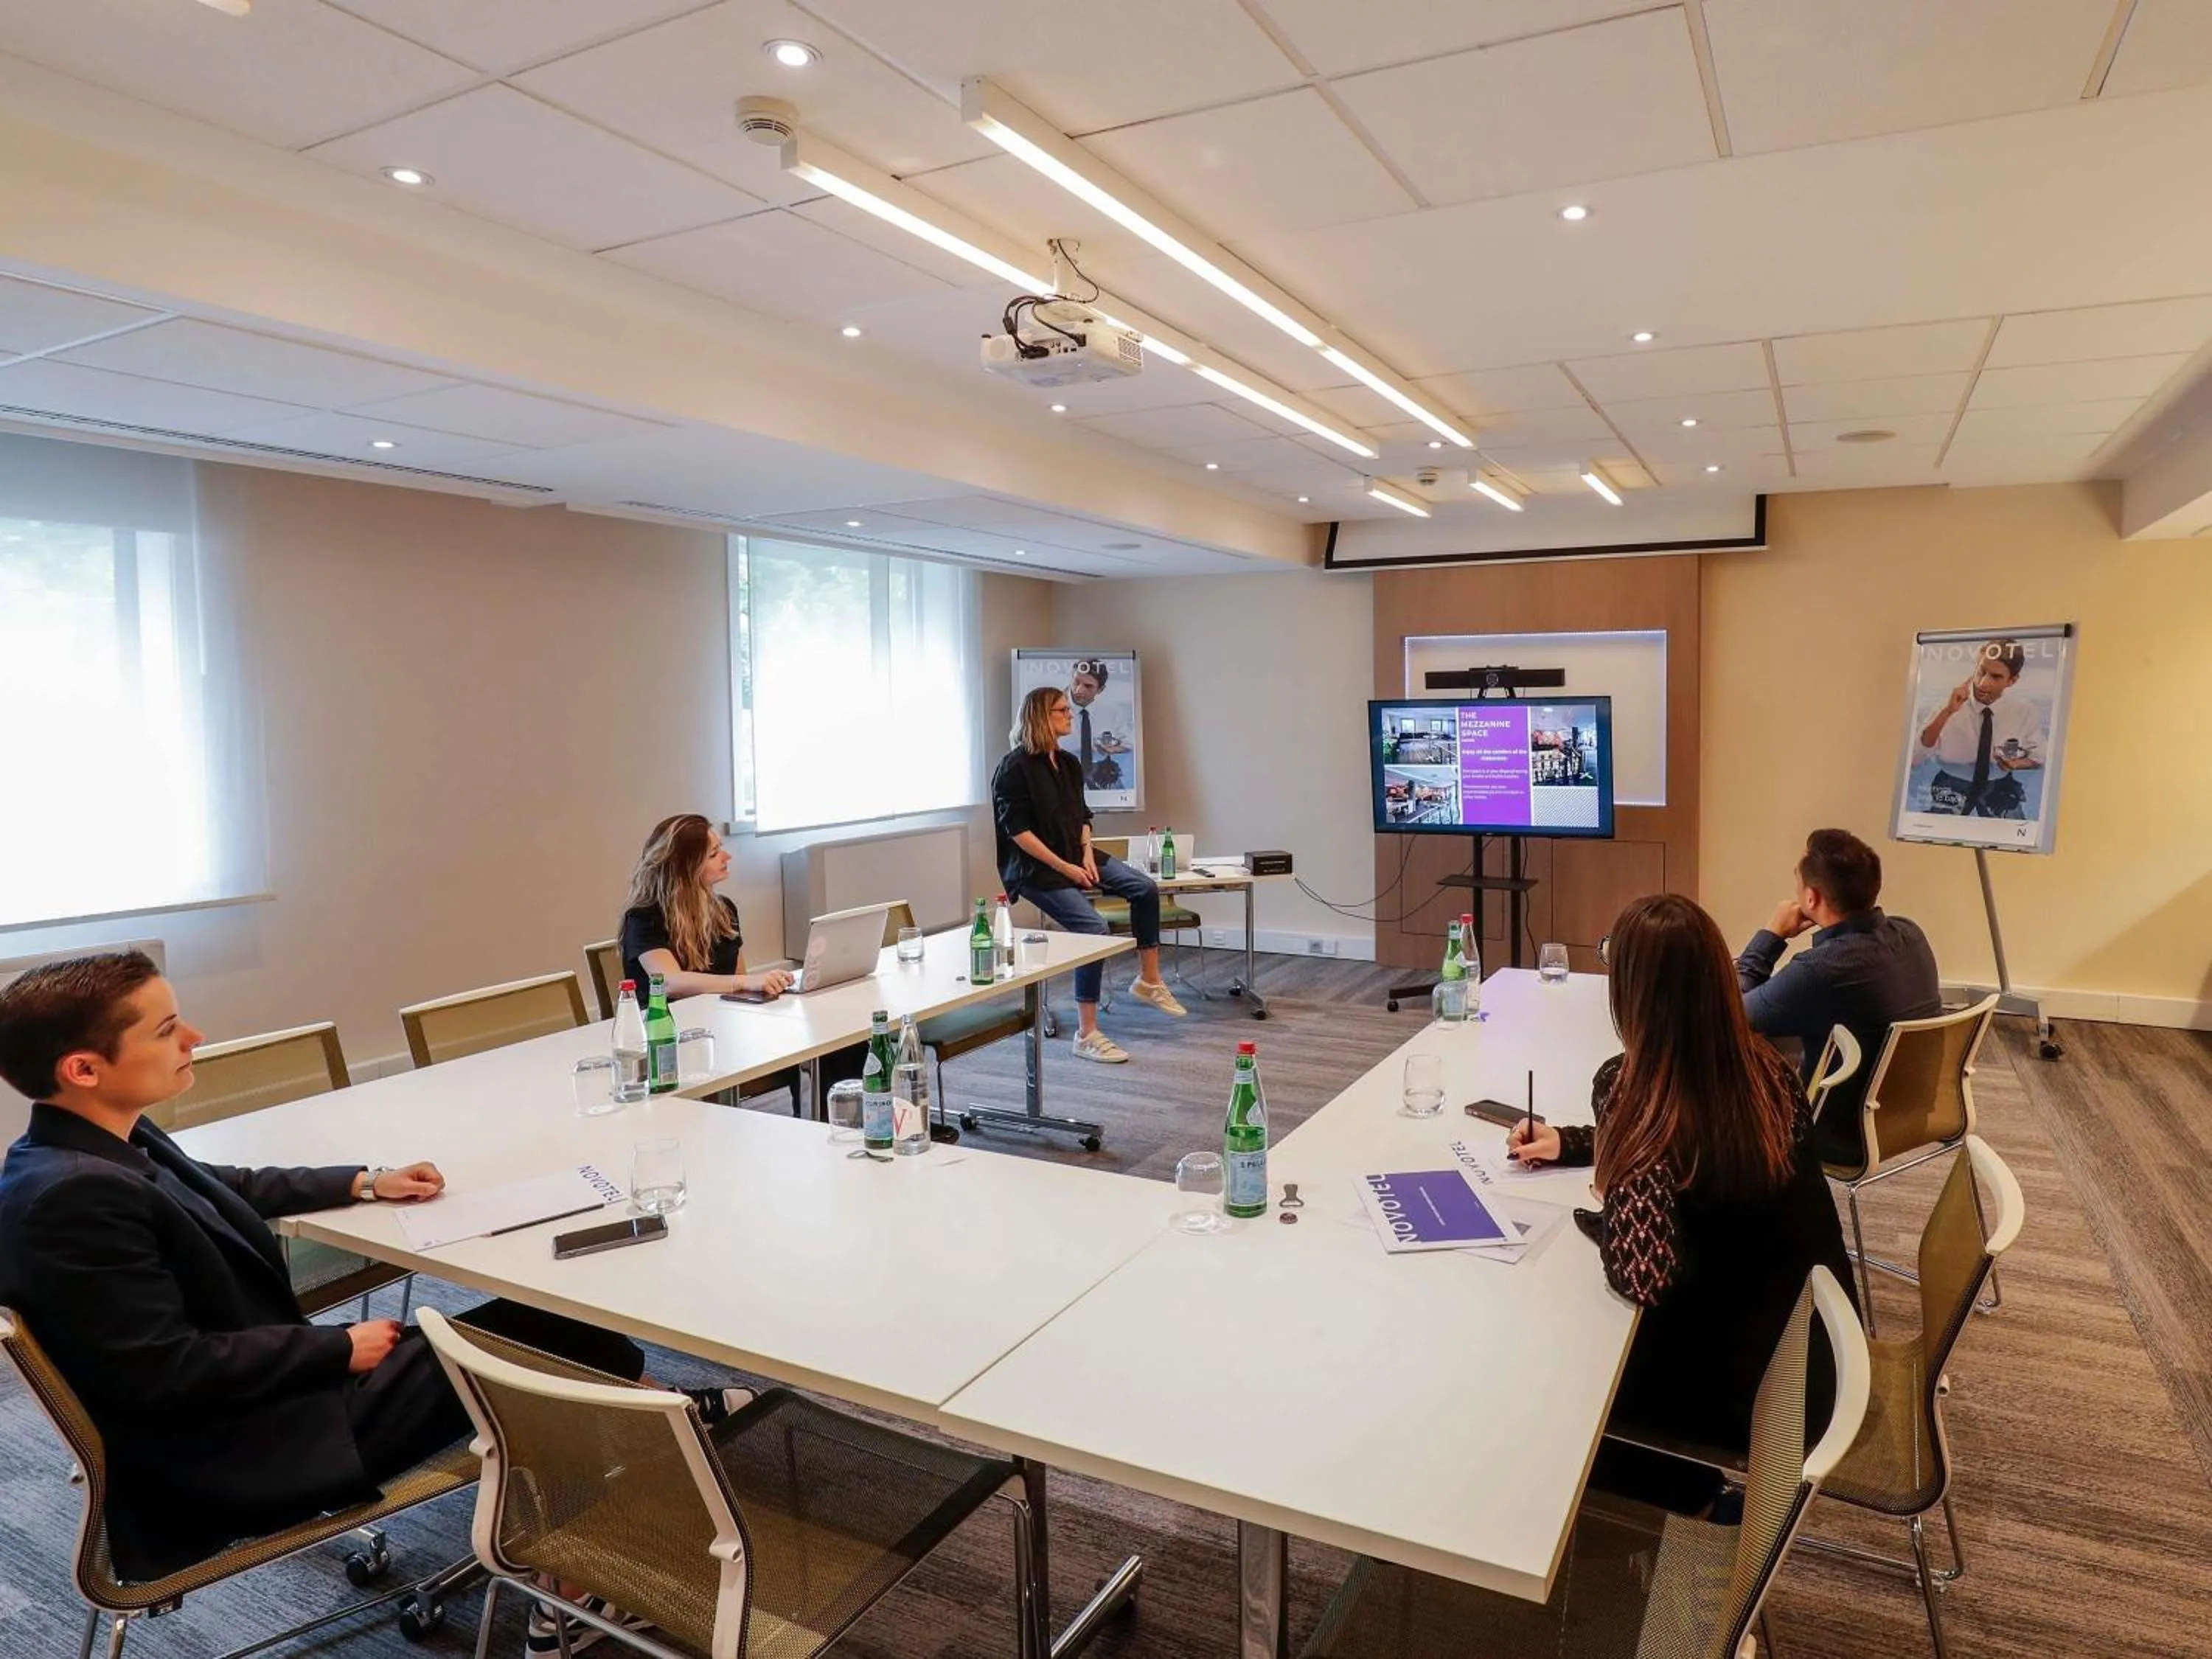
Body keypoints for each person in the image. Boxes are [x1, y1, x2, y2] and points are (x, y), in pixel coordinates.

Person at [0, 951, 737, 1643]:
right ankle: (570, 1592)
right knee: (545, 1349)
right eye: (166, 1030)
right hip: (254, 1444)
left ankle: (657, 1411)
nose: (194, 1037)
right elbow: (161, 1374)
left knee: (548, 1329)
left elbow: (221, 1185)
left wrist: (362, 1181)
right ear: (84, 1068)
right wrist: (336, 1348)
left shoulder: (91, 1146)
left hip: (272, 1395)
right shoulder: (72, 1201)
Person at [1507, 894, 1854, 1512]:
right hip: (1813, 1360)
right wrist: (1575, 1142)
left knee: (1537, 1369)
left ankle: (1660, 1506)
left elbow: (1642, 1275)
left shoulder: (1628, 1085)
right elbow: (1693, 1144)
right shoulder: (1764, 1069)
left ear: (1631, 993)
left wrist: (1614, 1190)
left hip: (1741, 1398)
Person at [993, 686, 1186, 1063]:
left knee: (1145, 888)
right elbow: (1018, 833)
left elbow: (1082, 816)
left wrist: (1085, 854)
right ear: (1040, 716)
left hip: (1075, 852)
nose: (1070, 715)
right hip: (1036, 869)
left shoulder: (1068, 764)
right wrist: (1066, 867)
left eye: (1068, 709)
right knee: (1094, 929)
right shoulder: (1014, 768)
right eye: (1062, 710)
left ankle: (1149, 980)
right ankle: (1086, 1034)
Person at [1734, 829, 1942, 1165]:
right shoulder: (1910, 933)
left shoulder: (1822, 969)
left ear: (1812, 899)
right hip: (1909, 1114)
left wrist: (1771, 936)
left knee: (1721, 1043)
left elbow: (1729, 1014)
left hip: (1839, 1134)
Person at [620, 813, 790, 1000]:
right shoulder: (643, 918)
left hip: (717, 1013)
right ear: (685, 868)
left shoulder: (725, 909)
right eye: (713, 854)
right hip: (666, 1016)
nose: (727, 857)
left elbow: (739, 979)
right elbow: (669, 982)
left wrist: (768, 982)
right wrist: (743, 982)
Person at [1917, 637, 2044, 818]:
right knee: (1937, 827)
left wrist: (2017, 764)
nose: (1983, 683)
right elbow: (1921, 749)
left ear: (2012, 680)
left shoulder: (2024, 712)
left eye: (1996, 677)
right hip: (1952, 782)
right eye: (1981, 671)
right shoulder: (1947, 705)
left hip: (1998, 784)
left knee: (2014, 830)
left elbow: (2040, 757)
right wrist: (1948, 711)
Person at [1064, 657, 1133, 791]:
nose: (1079, 690)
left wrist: (1113, 749)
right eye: (1076, 682)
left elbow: (1130, 744)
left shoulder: (1112, 711)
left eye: (1088, 686)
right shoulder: (1051, 707)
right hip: (1063, 775)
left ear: (1100, 689)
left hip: (1101, 774)